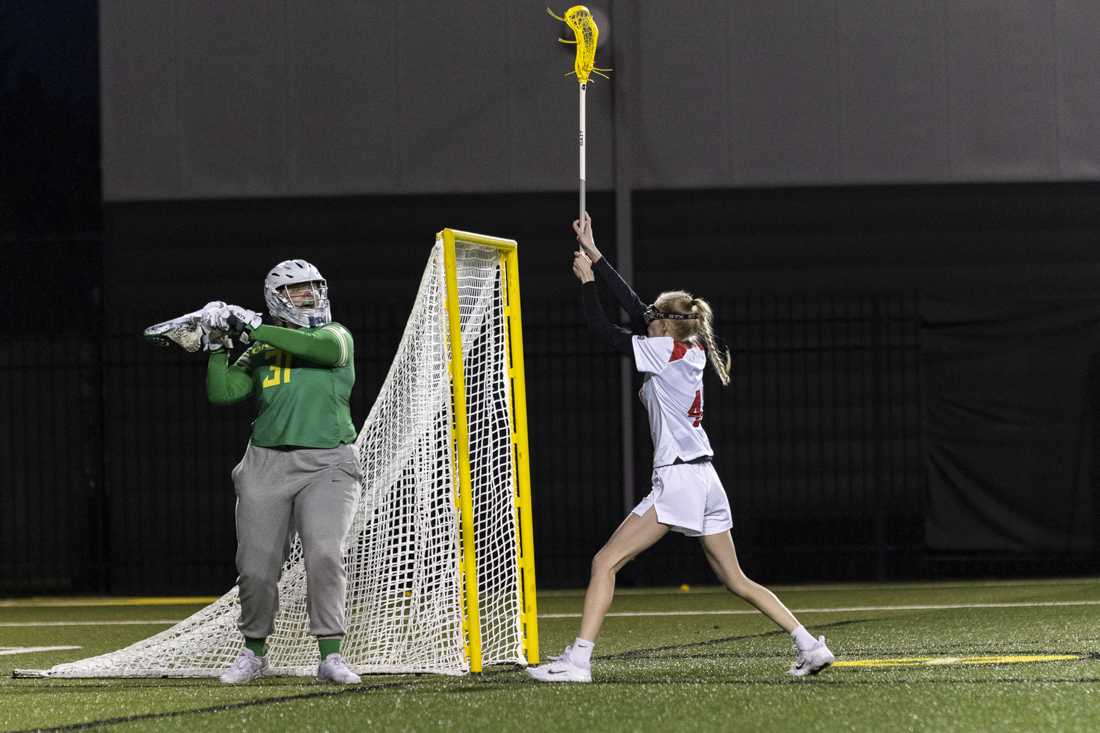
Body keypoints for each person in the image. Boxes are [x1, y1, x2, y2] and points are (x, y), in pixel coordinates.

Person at [526, 214, 835, 683]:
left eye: (655, 316)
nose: (646, 318)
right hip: (707, 479)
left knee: (603, 562)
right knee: (736, 580)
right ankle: (809, 646)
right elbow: (634, 308)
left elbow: (606, 330)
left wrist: (587, 283)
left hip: (679, 478)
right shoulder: (683, 350)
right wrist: (595, 251)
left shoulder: (665, 352)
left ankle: (578, 661)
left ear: (669, 325)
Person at [201, 259, 362, 685]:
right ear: (277, 298)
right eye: (295, 290)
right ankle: (254, 652)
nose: (307, 295)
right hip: (266, 464)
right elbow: (223, 394)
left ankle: (330, 655)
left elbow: (322, 351)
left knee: (325, 555)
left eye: (311, 287)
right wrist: (218, 346)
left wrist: (250, 325)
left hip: (328, 463)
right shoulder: (261, 349)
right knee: (256, 567)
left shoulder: (334, 335)